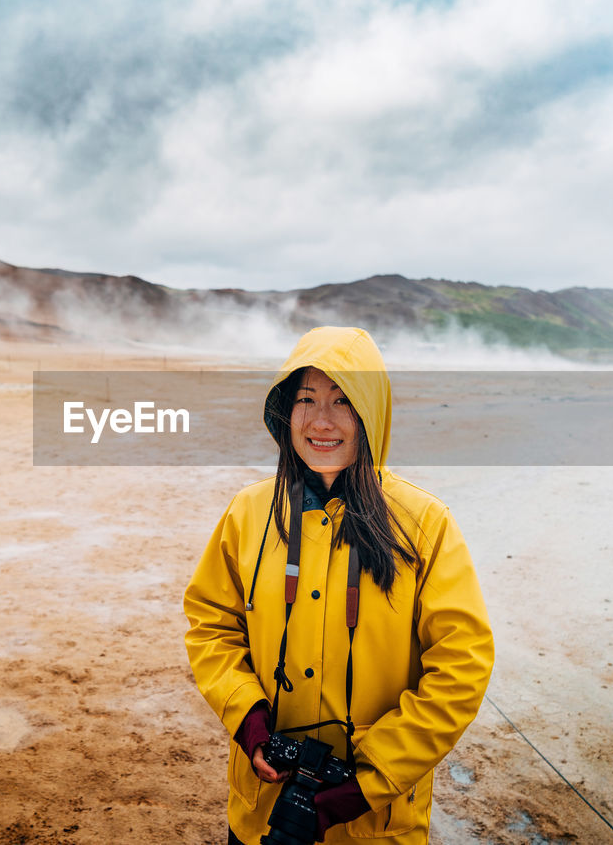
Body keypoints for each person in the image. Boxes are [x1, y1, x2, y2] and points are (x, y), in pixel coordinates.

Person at [183, 326, 494, 845]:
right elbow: (211, 624)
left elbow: (462, 668)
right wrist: (250, 720)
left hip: (374, 823)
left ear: (371, 412)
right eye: (306, 398)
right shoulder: (249, 512)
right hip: (265, 807)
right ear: (286, 411)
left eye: (342, 401)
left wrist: (367, 782)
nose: (321, 421)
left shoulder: (423, 523)